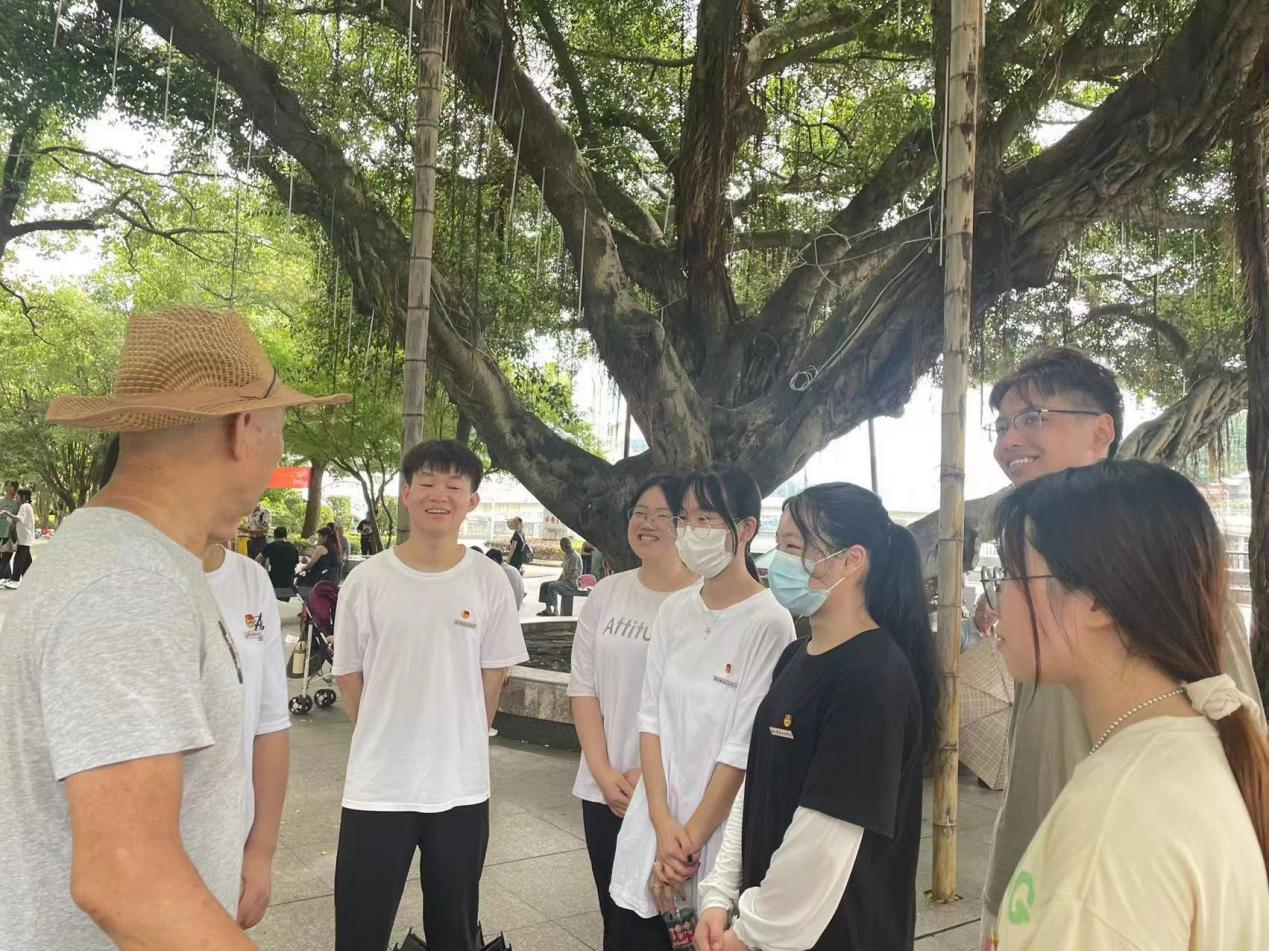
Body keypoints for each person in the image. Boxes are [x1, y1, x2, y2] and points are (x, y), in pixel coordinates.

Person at [0, 306, 346, 949]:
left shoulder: (132, 562)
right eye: (280, 430)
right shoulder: (129, 583)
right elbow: (124, 877)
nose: (277, 451)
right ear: (244, 429)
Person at [978, 346, 1265, 948]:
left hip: (1115, 861)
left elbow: (1228, 699)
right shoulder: (1036, 560)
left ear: (1100, 432)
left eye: (1031, 418)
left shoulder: (1158, 549)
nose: (1009, 442)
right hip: (1045, 858)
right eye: (1001, 426)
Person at [693, 483, 938, 951]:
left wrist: (748, 933)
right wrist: (719, 894)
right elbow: (758, 782)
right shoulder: (795, 656)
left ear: (851, 560)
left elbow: (826, 837)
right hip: (769, 923)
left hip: (839, 932)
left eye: (794, 547)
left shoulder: (874, 677)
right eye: (779, 544)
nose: (777, 561)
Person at [332, 439, 528, 951]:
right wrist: (382, 736)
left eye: (453, 486)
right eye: (427, 483)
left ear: (472, 501)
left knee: (454, 928)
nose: (439, 495)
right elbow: (348, 675)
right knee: (359, 928)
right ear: (406, 494)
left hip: (460, 786)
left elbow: (494, 674)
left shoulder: (488, 580)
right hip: (379, 786)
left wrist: (465, 739)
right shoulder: (367, 580)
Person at [609, 465, 795, 949]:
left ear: (746, 529)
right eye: (685, 518)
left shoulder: (770, 622)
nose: (691, 531)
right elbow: (650, 719)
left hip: (713, 836)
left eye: (707, 519)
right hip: (654, 823)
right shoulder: (676, 609)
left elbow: (742, 747)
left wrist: (688, 840)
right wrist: (660, 819)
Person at [569, 475, 699, 950]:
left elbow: (705, 708)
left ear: (687, 525)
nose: (648, 523)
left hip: (674, 795)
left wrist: (650, 779)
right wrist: (603, 773)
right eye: (640, 513)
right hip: (605, 792)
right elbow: (584, 689)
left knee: (669, 926)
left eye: (663, 515)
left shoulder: (704, 602)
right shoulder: (607, 593)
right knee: (616, 920)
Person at [203, 540, 291, 930]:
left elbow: (270, 722)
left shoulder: (251, 579)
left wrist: (260, 850)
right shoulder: (116, 578)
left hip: (227, 853)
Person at [538, 535, 585, 616]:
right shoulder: (567, 555)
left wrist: (562, 581)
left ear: (563, 546)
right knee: (545, 585)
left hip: (573, 583)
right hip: (566, 581)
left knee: (552, 586)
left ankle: (555, 610)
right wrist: (559, 579)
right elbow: (564, 572)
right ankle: (548, 609)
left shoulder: (574, 556)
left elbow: (573, 573)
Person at [1, 487, 36, 589]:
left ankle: (15, 580)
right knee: (27, 561)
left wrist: (7, 512)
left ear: (24, 497)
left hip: (24, 538)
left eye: (17, 496)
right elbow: (17, 521)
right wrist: (6, 517)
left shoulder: (24, 506)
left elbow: (19, 519)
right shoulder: (27, 506)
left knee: (18, 559)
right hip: (25, 538)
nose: (15, 497)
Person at [296, 525, 342, 598]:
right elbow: (322, 562)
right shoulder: (334, 549)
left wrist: (302, 568)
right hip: (331, 579)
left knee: (300, 583)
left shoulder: (320, 548)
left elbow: (309, 565)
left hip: (318, 578)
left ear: (325, 537)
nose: (318, 538)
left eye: (319, 536)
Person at [260, 525, 301, 597]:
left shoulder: (271, 546)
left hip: (275, 579)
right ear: (286, 536)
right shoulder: (293, 547)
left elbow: (257, 559)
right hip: (289, 581)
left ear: (274, 536)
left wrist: (263, 570)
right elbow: (295, 565)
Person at [0, 479, 18, 580]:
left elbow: (18, 519)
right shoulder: (0, 501)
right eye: (6, 485)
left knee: (6, 557)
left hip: (10, 534)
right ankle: (7, 577)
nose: (8, 488)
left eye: (10, 486)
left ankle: (5, 577)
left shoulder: (17, 504)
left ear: (15, 489)